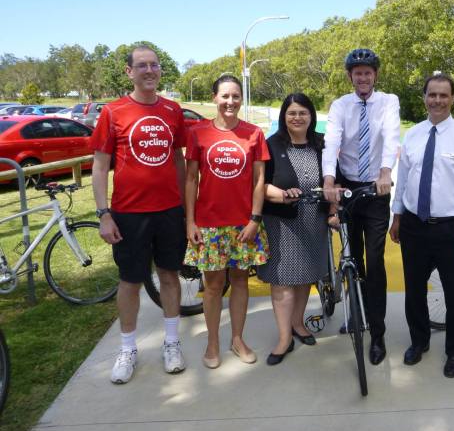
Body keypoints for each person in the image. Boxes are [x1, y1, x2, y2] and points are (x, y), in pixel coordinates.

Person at [92, 45, 188, 384]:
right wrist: (104, 214)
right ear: (129, 71)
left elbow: (178, 159)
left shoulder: (173, 110)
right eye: (142, 65)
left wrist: (185, 208)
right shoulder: (113, 112)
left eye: (155, 65)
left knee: (170, 276)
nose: (150, 70)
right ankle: (128, 349)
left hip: (169, 211)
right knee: (130, 281)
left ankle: (172, 343)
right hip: (129, 213)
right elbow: (100, 166)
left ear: (160, 71)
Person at [389, 73, 454, 378]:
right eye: (432, 94)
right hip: (414, 225)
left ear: (453, 98)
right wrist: (397, 216)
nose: (437, 100)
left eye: (444, 95)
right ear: (425, 98)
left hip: (452, 228)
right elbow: (403, 179)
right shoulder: (413, 135)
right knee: (414, 290)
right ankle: (419, 342)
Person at [184, 73, 270, 369]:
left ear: (241, 99)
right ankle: (212, 342)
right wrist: (190, 222)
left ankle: (237, 339)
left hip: (243, 223)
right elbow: (191, 179)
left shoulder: (253, 134)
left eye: (235, 96)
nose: (230, 101)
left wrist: (255, 220)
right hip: (208, 224)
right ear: (215, 98)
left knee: (240, 281)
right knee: (212, 285)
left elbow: (259, 180)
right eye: (225, 96)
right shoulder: (198, 133)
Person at [322, 48, 400, 365]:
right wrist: (329, 180)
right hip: (348, 186)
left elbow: (391, 136)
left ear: (375, 75)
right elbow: (332, 141)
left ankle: (377, 334)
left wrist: (385, 173)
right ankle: (357, 313)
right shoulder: (341, 105)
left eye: (368, 72)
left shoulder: (389, 102)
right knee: (352, 258)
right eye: (358, 73)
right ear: (350, 77)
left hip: (376, 188)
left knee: (375, 262)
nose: (363, 78)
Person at [258, 93, 335, 365]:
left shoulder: (322, 145)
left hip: (314, 221)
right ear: (284, 116)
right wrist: (280, 194)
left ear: (312, 116)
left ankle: (298, 324)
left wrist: (333, 210)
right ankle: (284, 338)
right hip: (282, 223)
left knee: (305, 277)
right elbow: (259, 185)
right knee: (282, 281)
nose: (297, 117)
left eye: (303, 112)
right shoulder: (271, 145)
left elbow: (334, 180)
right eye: (292, 113)